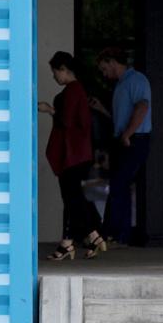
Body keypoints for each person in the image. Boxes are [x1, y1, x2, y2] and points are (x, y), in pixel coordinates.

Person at [42, 51, 108, 261]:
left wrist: (49, 110)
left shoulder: (73, 90)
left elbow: (67, 121)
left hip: (73, 155)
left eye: (54, 72)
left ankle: (93, 237)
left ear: (63, 69)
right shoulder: (77, 90)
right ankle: (68, 243)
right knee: (72, 199)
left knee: (72, 199)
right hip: (76, 154)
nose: (54, 77)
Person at [94, 48, 153, 244]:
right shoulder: (121, 84)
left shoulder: (136, 80)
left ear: (112, 61)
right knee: (118, 186)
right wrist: (101, 109)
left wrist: (128, 134)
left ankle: (119, 235)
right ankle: (112, 233)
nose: (104, 73)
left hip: (135, 139)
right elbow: (121, 117)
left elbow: (142, 106)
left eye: (104, 68)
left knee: (119, 185)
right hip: (124, 138)